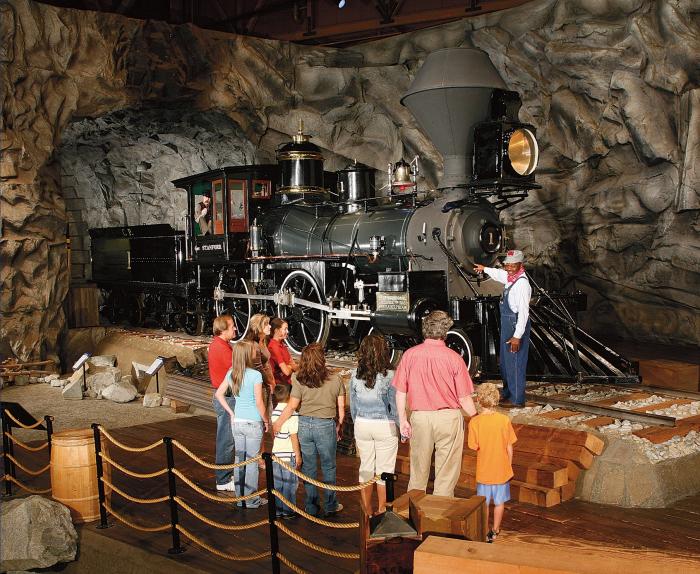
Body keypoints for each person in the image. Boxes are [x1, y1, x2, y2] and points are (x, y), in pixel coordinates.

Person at [393, 310, 477, 497]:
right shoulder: (454, 358)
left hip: (420, 418)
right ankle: (440, 515)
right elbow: (464, 398)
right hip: (449, 418)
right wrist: (476, 417)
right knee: (446, 473)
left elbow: (400, 391)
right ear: (445, 331)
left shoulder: (409, 355)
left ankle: (414, 514)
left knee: (418, 471)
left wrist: (403, 419)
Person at [272, 342, 345, 517]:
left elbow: (291, 406)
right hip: (325, 425)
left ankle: (311, 506)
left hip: (304, 425)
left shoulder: (298, 378)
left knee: (309, 468)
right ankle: (330, 504)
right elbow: (341, 411)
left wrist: (278, 423)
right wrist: (339, 427)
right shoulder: (336, 379)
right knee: (329, 467)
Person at [214, 340, 269, 508]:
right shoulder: (255, 375)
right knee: (251, 462)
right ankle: (252, 499)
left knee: (239, 461)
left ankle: (240, 498)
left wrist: (231, 413)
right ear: (247, 356)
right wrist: (266, 419)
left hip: (237, 422)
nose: (255, 353)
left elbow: (219, 394)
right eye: (252, 351)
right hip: (253, 422)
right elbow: (259, 401)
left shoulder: (232, 373)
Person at [474, 250, 532, 406]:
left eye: (513, 264)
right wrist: (484, 269)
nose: (509, 267)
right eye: (507, 264)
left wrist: (517, 336)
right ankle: (508, 393)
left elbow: (524, 313)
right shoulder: (511, 278)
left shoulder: (521, 284)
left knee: (515, 362)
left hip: (515, 326)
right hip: (508, 324)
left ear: (520, 264)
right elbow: (499, 274)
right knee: (506, 363)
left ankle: (516, 400)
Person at [349, 334, 399, 516]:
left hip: (362, 423)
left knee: (366, 468)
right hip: (384, 424)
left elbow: (353, 405)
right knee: (385, 471)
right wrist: (401, 428)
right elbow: (394, 407)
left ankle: (366, 512)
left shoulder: (355, 374)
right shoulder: (390, 375)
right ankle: (382, 512)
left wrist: (357, 424)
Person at [467, 383, 517, 543]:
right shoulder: (504, 420)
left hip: (484, 471)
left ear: (479, 401)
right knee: (499, 503)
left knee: (484, 504)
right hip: (502, 470)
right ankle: (495, 530)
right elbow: (509, 446)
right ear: (497, 400)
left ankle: (483, 530)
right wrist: (509, 466)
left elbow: (474, 446)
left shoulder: (475, 423)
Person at [208, 314, 236, 491]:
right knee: (226, 439)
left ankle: (225, 474)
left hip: (224, 395)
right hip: (226, 397)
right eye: (232, 326)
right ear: (223, 328)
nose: (235, 328)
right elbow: (236, 370)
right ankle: (223, 480)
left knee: (227, 437)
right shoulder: (223, 349)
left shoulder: (219, 344)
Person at [271, 384, 302, 519]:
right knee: (290, 484)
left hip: (276, 454)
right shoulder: (292, 414)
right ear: (290, 397)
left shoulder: (274, 412)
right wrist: (298, 455)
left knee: (278, 483)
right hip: (288, 455)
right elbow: (293, 437)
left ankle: (278, 509)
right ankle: (288, 510)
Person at [244, 313, 275, 403]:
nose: (269, 326)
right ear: (258, 327)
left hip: (267, 380)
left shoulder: (263, 340)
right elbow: (259, 368)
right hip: (261, 384)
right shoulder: (254, 345)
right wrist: (270, 382)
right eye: (266, 324)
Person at [268, 318, 298, 388]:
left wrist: (291, 366)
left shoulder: (282, 344)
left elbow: (293, 364)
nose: (287, 331)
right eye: (285, 329)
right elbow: (286, 372)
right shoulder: (274, 347)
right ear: (276, 330)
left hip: (288, 383)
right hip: (281, 386)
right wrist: (291, 367)